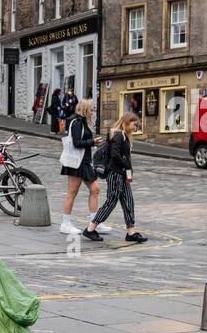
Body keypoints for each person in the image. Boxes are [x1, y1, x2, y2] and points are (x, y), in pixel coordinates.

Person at [83, 112, 148, 243]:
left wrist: (128, 170)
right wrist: (127, 165)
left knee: (129, 202)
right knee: (111, 202)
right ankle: (90, 228)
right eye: (135, 124)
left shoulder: (124, 136)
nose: (136, 128)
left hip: (123, 175)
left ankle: (131, 232)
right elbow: (115, 155)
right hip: (115, 174)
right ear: (127, 122)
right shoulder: (118, 136)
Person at [59, 99, 101, 235]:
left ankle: (95, 222)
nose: (93, 112)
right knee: (72, 192)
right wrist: (92, 141)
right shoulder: (76, 122)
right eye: (91, 109)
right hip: (76, 163)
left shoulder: (82, 122)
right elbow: (77, 143)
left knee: (95, 189)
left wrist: (92, 143)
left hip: (84, 162)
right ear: (85, 109)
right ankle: (65, 224)